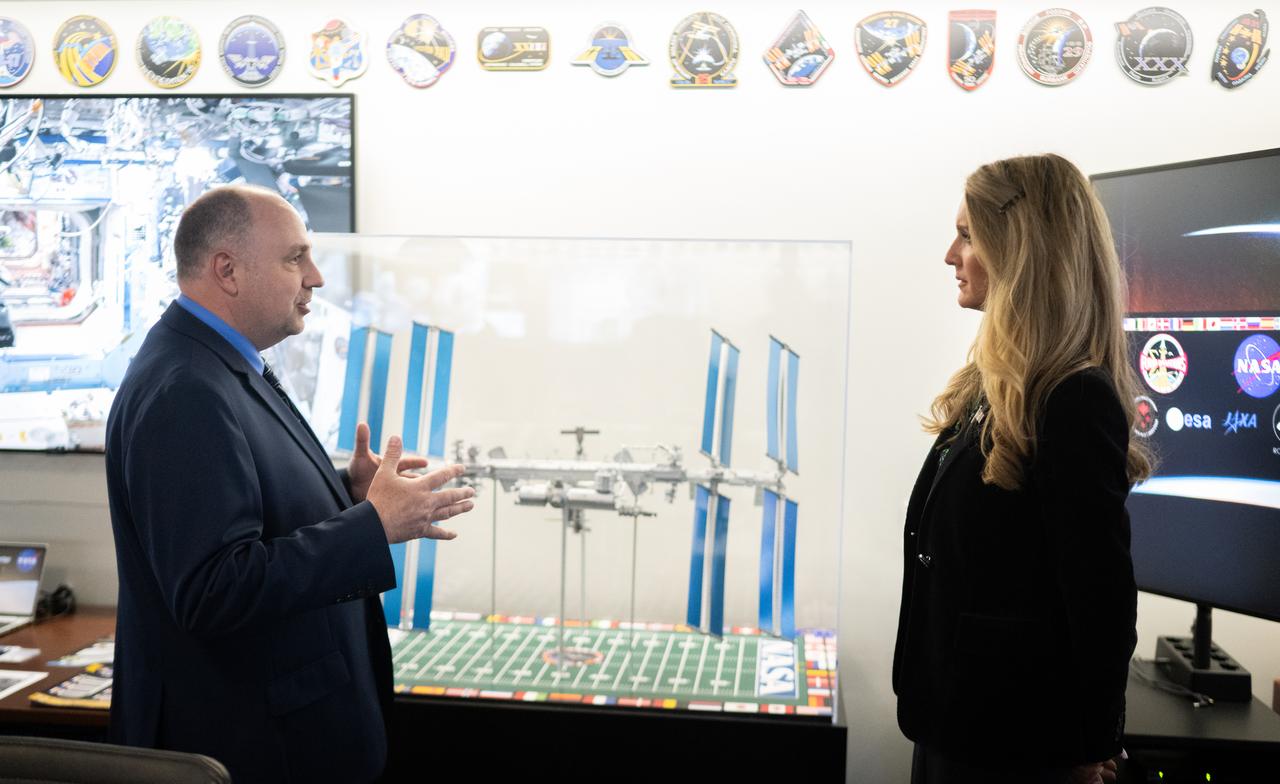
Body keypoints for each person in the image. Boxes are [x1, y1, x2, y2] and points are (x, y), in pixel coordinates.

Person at [105, 185, 476, 783]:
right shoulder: (186, 389)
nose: (316, 277)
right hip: (254, 748)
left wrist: (340, 492)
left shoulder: (217, 363)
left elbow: (237, 501)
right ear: (226, 269)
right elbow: (213, 588)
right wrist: (371, 526)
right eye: (294, 258)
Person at [893, 154, 1153, 784]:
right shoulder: (993, 387)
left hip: (1018, 747)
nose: (950, 256)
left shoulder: (1072, 398)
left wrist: (1094, 744)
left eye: (966, 235)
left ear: (1018, 248)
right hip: (954, 723)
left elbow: (1100, 596)